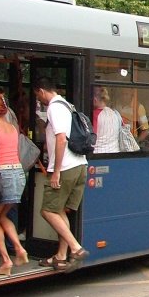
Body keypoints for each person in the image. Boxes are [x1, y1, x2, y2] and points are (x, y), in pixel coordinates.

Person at [31, 77, 90, 272]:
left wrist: (55, 171)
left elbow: (61, 139)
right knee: (60, 210)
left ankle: (76, 247)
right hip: (80, 164)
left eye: (37, 95)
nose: (38, 100)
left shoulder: (54, 108)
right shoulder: (67, 105)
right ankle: (61, 256)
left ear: (41, 91)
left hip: (66, 167)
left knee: (47, 211)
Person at [0, 87, 30, 276]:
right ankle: (19, 249)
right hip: (18, 174)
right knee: (3, 217)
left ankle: (6, 261)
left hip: (1, 176)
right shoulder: (13, 127)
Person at [92, 86, 121, 154]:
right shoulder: (115, 113)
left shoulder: (94, 115)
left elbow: (92, 138)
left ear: (95, 100)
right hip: (115, 153)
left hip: (98, 154)